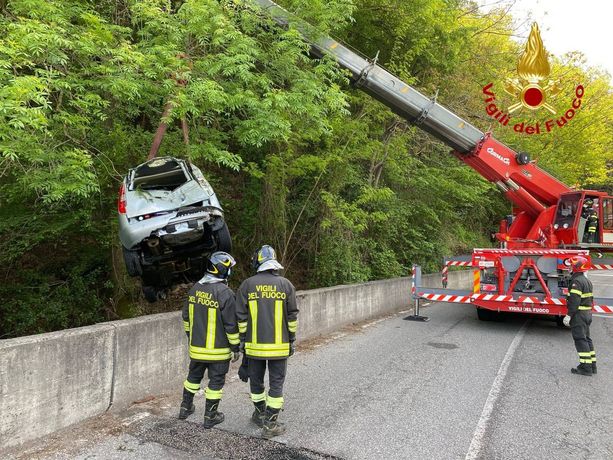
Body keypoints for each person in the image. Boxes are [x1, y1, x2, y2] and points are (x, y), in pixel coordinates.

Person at [236, 245, 299, 438]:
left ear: (258, 261)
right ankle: (270, 425)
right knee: (276, 384)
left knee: (256, 382)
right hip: (279, 347)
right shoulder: (286, 285)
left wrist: (242, 344)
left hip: (254, 348)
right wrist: (291, 340)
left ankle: (259, 413)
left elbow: (241, 318)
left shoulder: (247, 285)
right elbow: (292, 318)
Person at [180, 251, 240, 427]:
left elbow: (186, 318)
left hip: (196, 349)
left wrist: (192, 338)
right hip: (218, 352)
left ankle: (185, 408)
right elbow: (231, 325)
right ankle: (210, 416)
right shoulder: (225, 293)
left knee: (193, 377)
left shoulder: (194, 289)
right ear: (223, 270)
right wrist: (235, 347)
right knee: (216, 382)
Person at [563, 256, 596, 376]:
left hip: (579, 315)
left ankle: (585, 368)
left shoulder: (576, 282)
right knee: (587, 339)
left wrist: (569, 315)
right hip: (587, 314)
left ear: (577, 267)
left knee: (580, 339)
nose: (570, 267)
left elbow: (574, 302)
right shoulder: (586, 280)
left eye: (572, 265)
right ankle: (592, 366)